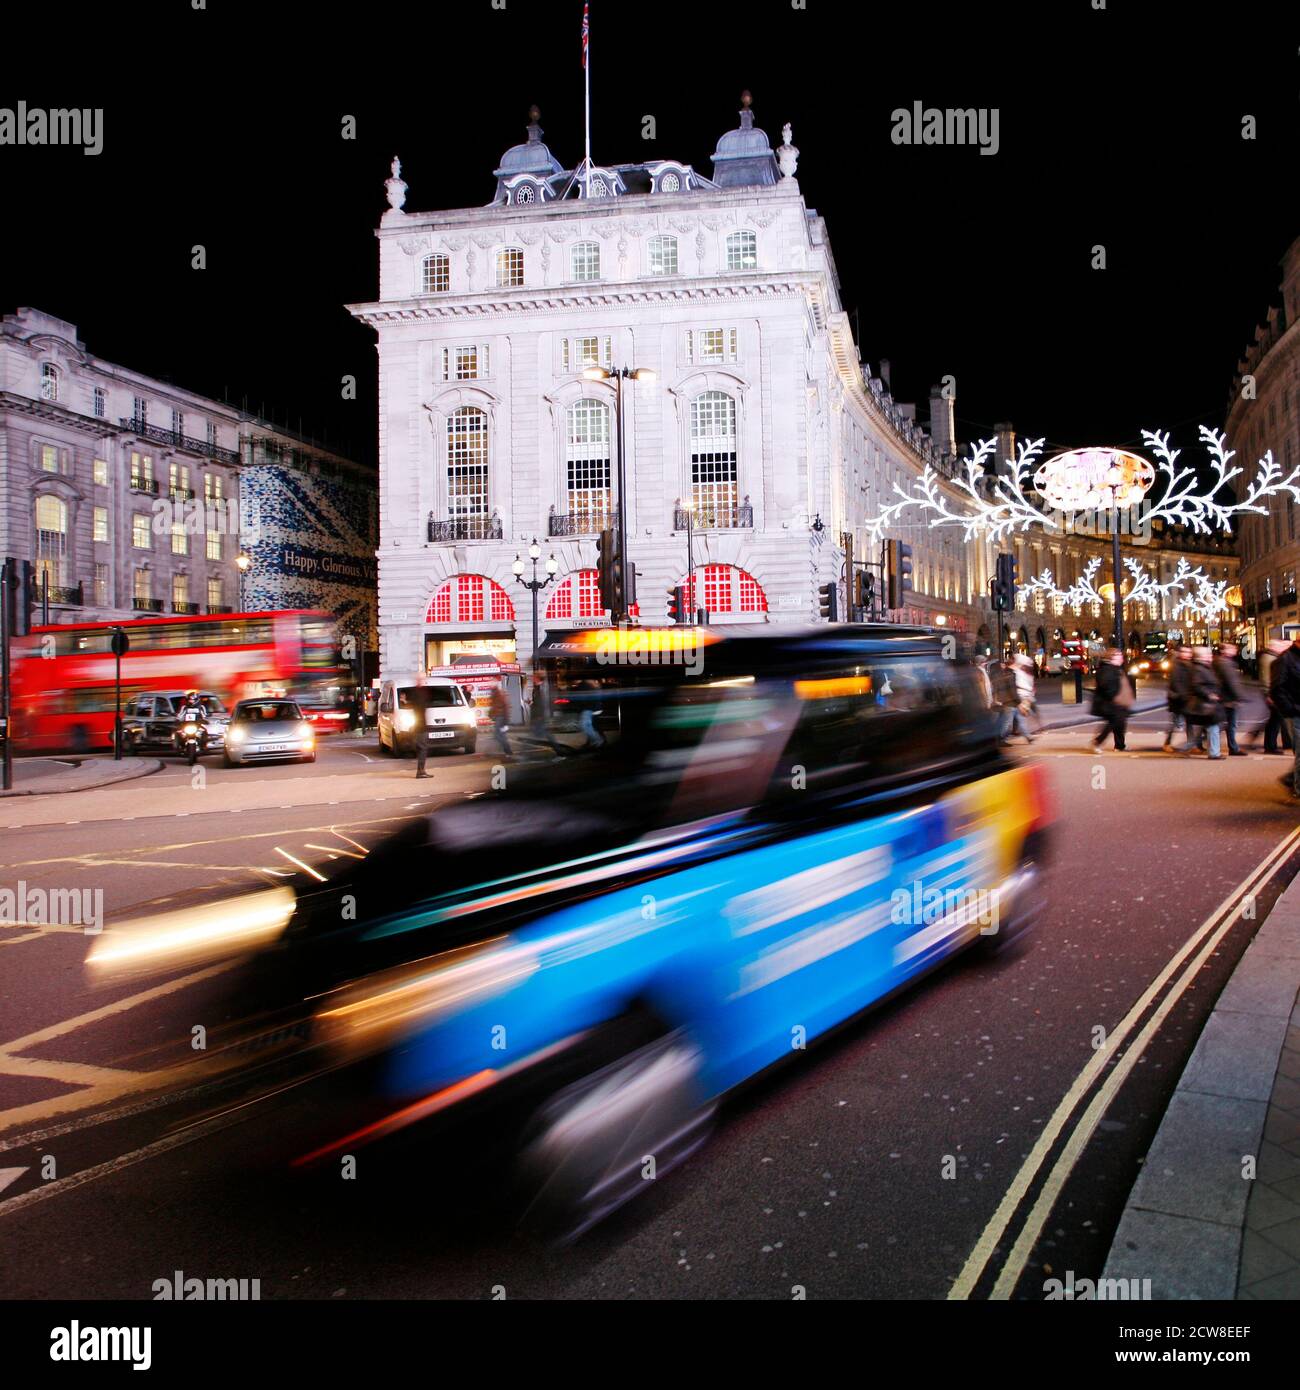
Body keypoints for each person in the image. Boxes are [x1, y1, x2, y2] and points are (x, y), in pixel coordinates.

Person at [1269, 632, 1300, 797]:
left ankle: (1291, 781)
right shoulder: (1284, 660)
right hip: (1295, 714)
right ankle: (1296, 788)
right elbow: (1276, 689)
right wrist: (1291, 709)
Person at [1184, 646, 1225, 759]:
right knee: (1213, 727)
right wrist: (1209, 694)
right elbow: (1196, 685)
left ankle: (1188, 746)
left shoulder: (1205, 667)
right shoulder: (1199, 669)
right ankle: (1214, 753)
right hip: (1205, 704)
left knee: (1208, 728)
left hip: (1207, 704)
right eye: (1208, 655)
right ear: (1201, 657)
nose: (1210, 656)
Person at [1091, 648, 1133, 752]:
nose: (1121, 657)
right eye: (1119, 655)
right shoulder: (1107, 669)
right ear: (1112, 657)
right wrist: (1114, 697)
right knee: (1114, 722)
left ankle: (1120, 745)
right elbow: (1106, 685)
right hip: (1109, 702)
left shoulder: (1116, 668)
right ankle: (1098, 741)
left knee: (1120, 722)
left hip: (1118, 701)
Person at [1214, 642, 1247, 756]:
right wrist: (1239, 696)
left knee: (1224, 724)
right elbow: (1231, 682)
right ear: (1224, 651)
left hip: (1224, 697)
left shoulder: (1221, 661)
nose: (1235, 650)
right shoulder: (1225, 663)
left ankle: (1231, 747)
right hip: (1227, 698)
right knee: (1230, 724)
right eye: (1231, 648)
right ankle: (1233, 748)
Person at [1162, 646, 1192, 752]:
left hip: (1185, 699)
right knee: (1175, 722)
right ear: (1180, 653)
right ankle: (1167, 743)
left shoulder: (1187, 664)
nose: (1188, 654)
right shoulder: (1177, 665)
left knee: (1189, 721)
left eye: (1189, 652)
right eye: (1185, 652)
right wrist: (1184, 695)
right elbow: (1176, 683)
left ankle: (1192, 744)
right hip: (1178, 699)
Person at [407, 678, 432, 778]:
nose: (424, 681)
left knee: (421, 748)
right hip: (420, 726)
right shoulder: (418, 694)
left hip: (420, 725)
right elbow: (421, 708)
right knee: (423, 748)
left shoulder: (416, 693)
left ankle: (421, 771)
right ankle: (421, 772)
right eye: (422, 680)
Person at [488, 683, 513, 758]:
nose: (490, 685)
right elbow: (493, 707)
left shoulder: (499, 694)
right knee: (500, 735)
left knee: (498, 735)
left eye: (491, 684)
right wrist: (491, 714)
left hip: (500, 717)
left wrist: (506, 721)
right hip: (498, 717)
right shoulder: (494, 694)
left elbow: (506, 707)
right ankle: (507, 751)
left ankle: (508, 751)